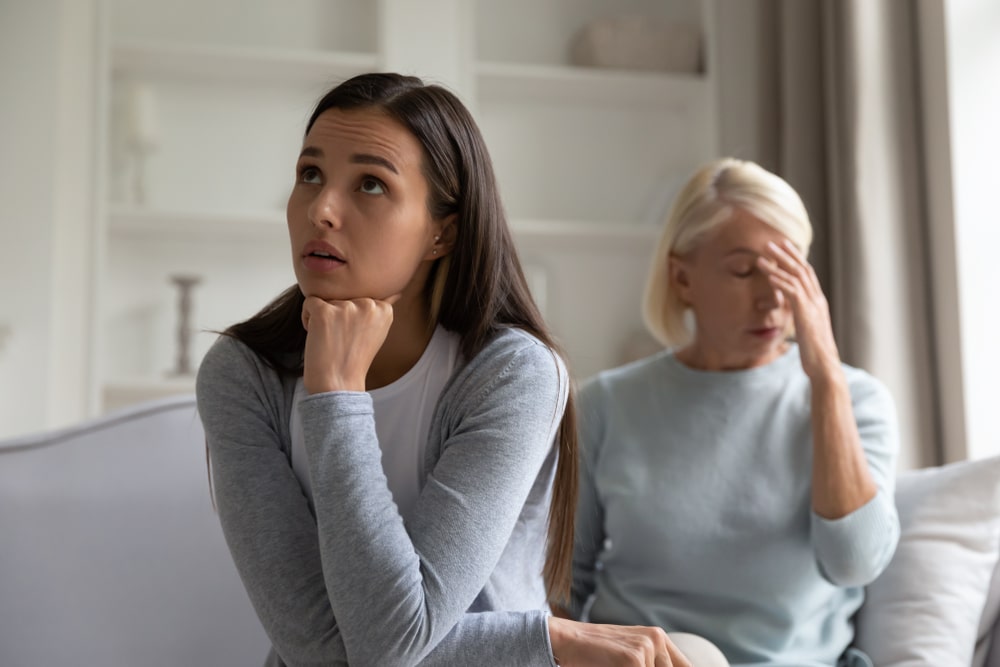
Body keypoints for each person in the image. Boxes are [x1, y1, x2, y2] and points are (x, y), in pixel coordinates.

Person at [196, 72, 695, 667]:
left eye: (371, 185)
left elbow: (382, 647)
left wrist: (336, 398)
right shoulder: (243, 373)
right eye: (310, 174)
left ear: (442, 231)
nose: (323, 209)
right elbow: (330, 649)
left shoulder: (512, 375)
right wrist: (546, 642)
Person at [566, 158, 900, 667]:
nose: (772, 297)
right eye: (744, 271)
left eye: (789, 270)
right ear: (682, 278)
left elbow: (855, 562)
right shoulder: (606, 405)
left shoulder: (857, 399)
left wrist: (827, 380)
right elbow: (562, 585)